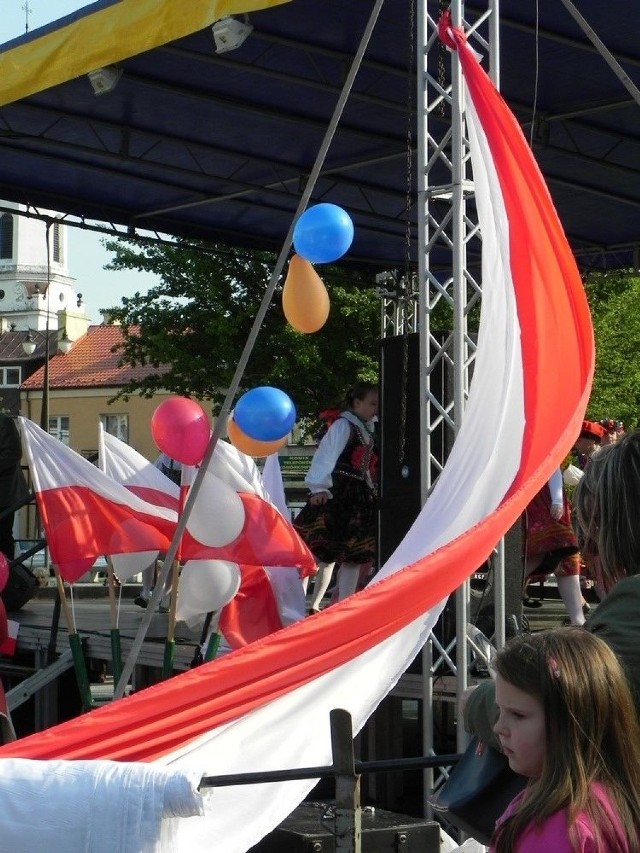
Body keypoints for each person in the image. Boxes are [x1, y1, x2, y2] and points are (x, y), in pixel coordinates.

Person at [491, 627, 640, 851]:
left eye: (518, 715)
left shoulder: (554, 827)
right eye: (500, 710)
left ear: (571, 721)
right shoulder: (616, 797)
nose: (499, 727)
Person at [294, 382, 378, 612]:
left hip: (358, 493)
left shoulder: (367, 428)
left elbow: (365, 467)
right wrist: (320, 487)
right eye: (372, 403)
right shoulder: (344, 425)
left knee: (355, 553)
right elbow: (326, 455)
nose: (375, 408)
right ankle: (305, 602)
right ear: (357, 402)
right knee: (324, 550)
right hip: (340, 492)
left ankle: (344, 606)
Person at [522, 468, 587, 626]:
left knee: (563, 556)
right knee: (545, 551)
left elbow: (552, 465)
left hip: (543, 499)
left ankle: (578, 620)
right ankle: (578, 619)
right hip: (536, 497)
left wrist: (557, 500)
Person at [0, 414, 28, 564]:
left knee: (3, 535)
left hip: (5, 492)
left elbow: (13, 453)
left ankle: (6, 575)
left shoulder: (4, 422)